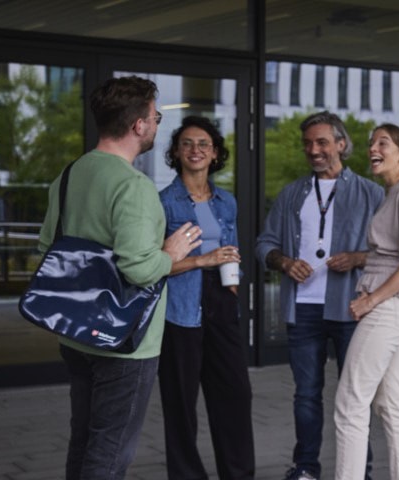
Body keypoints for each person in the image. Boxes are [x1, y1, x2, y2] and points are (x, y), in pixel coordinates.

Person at [38, 75, 200, 480]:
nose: (157, 125)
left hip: (74, 331)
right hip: (126, 343)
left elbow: (45, 250)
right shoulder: (134, 187)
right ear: (138, 125)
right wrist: (171, 254)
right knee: (110, 452)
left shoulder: (68, 175)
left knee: (84, 440)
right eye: (155, 117)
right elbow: (138, 269)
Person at [256, 111, 384, 480]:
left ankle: (361, 470)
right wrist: (282, 262)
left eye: (322, 142)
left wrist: (359, 258)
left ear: (341, 144)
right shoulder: (292, 193)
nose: (314, 150)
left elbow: (394, 253)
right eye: (308, 143)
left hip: (350, 308)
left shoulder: (370, 193)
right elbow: (264, 243)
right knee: (306, 395)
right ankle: (306, 468)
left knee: (356, 398)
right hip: (304, 309)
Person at [156, 116, 254, 480]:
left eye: (203, 144)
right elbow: (156, 264)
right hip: (181, 306)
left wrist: (234, 277)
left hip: (222, 301)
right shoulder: (163, 203)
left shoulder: (226, 201)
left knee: (235, 393)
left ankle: (239, 473)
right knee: (181, 401)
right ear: (177, 152)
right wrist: (202, 260)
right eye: (187, 144)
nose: (195, 150)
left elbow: (231, 248)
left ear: (214, 153)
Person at [334, 123, 399, 480]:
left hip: (387, 309)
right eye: (372, 143)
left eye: (383, 143)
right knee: (390, 403)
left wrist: (370, 300)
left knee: (349, 405)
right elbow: (389, 254)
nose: (373, 148)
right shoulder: (393, 193)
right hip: (391, 307)